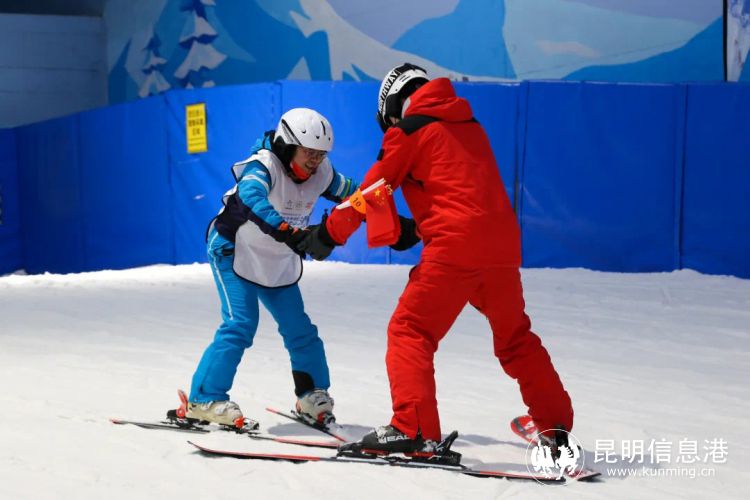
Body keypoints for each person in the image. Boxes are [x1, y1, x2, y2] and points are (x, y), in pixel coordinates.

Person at [296, 64, 573, 453]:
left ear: (394, 107)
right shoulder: (469, 126)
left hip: (455, 250)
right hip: (502, 249)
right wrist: (411, 230)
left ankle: (412, 428)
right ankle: (554, 427)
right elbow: (459, 193)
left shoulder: (409, 131)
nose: (391, 126)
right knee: (516, 339)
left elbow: (373, 191)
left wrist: (327, 234)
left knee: (410, 330)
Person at [187, 108, 358, 428]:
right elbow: (252, 197)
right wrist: (289, 232)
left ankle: (312, 395)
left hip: (276, 258)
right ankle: (204, 399)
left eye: (321, 154)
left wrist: (393, 214)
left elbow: (355, 194)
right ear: (287, 145)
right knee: (240, 324)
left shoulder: (322, 173)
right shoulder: (263, 166)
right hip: (233, 249)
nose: (315, 161)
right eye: (309, 152)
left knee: (300, 330)